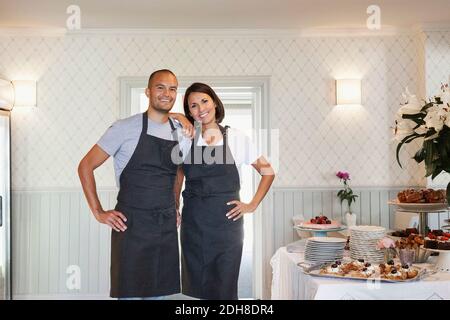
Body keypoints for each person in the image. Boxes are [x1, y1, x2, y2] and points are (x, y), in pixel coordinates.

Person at [78, 69, 193, 299]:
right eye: (160, 87)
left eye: (172, 89)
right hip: (131, 228)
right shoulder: (124, 128)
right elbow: (85, 166)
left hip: (164, 227)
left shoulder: (181, 132)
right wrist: (99, 212)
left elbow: (178, 172)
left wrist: (176, 205)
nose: (166, 93)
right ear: (148, 92)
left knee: (159, 296)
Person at [177, 82, 275, 300]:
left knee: (224, 287)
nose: (200, 108)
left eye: (204, 101)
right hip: (193, 224)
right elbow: (179, 175)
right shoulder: (185, 139)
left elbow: (268, 172)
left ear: (214, 102)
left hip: (227, 227)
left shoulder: (237, 137)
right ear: (189, 111)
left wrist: (251, 205)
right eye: (193, 105)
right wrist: (175, 206)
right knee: (194, 288)